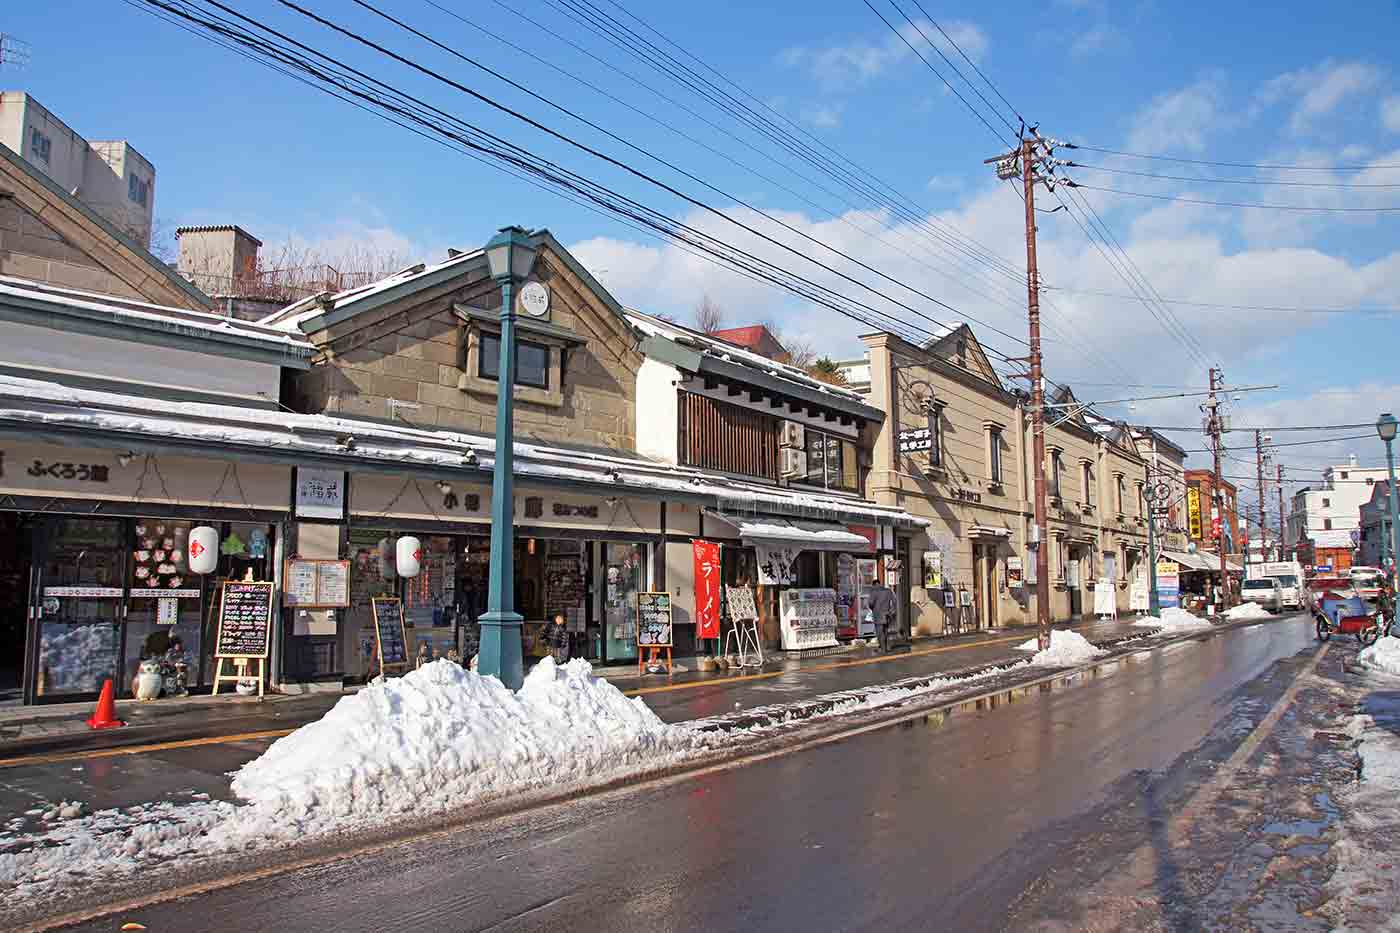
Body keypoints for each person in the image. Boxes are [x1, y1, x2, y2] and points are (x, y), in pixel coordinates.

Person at [865, 581, 897, 652]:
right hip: (888, 613)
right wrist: (891, 611)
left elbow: (870, 603)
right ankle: (884, 647)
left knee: (879, 632)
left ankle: (883, 649)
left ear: (874, 585)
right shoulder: (888, 591)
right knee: (885, 631)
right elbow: (894, 600)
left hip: (878, 614)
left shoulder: (874, 592)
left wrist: (872, 609)